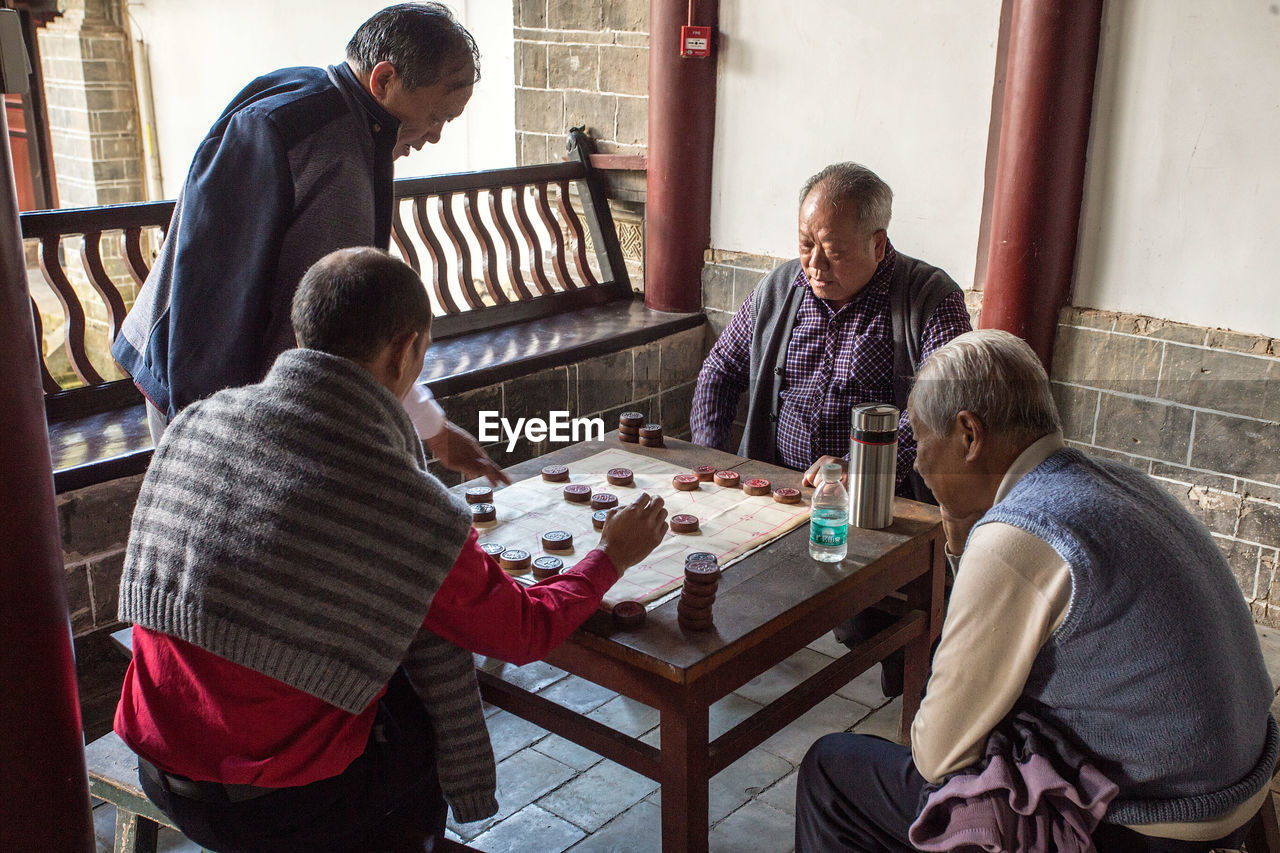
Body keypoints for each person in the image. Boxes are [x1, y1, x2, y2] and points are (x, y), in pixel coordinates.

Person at [113, 247, 670, 853]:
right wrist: (612, 555)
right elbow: (523, 632)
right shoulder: (402, 504)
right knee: (422, 711)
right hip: (277, 805)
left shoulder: (199, 421)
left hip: (158, 762)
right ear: (406, 350)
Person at [794, 329, 1277, 853]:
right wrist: (961, 539)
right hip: (1242, 775)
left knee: (832, 770)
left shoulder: (1018, 536)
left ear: (969, 436)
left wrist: (973, 542)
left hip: (1157, 817)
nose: (916, 464)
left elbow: (936, 754)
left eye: (921, 440)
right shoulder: (1114, 481)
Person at [111, 3, 501, 484]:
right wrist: (212, 434)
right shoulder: (287, 127)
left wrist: (433, 430)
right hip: (204, 393)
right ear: (383, 80)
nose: (437, 136)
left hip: (266, 397)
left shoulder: (362, 131)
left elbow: (355, 320)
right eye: (437, 116)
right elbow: (209, 297)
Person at [689, 161, 972, 497]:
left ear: (877, 245)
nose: (815, 265)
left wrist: (866, 464)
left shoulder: (929, 297)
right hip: (776, 490)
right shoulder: (778, 290)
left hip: (878, 500)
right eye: (806, 245)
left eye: (834, 251)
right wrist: (709, 455)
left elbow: (945, 401)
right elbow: (720, 370)